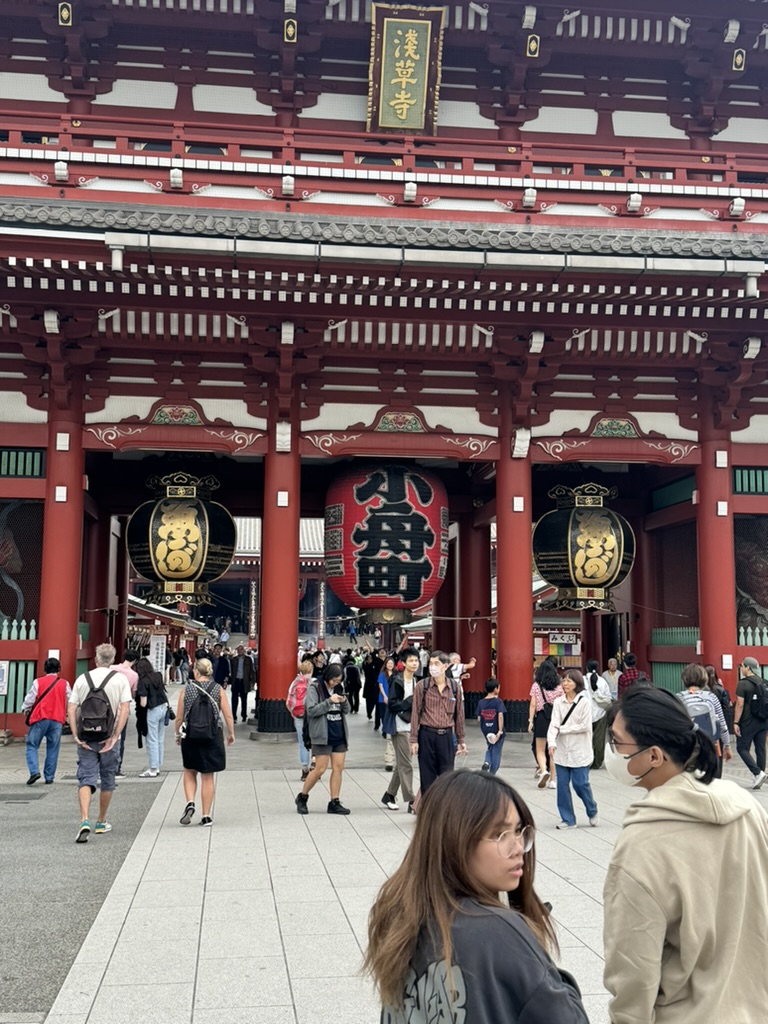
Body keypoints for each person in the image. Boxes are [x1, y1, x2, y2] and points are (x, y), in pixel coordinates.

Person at [365, 770, 589, 1023]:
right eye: (499, 835)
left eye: (518, 831)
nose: (518, 848)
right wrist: (543, 965)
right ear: (455, 840)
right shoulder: (497, 930)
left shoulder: (401, 914)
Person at [603, 685, 768, 1024]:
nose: (611, 751)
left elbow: (633, 969)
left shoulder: (642, 843)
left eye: (617, 743)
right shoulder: (748, 807)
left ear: (654, 756)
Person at [67, 643, 132, 844]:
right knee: (107, 779)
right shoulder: (120, 679)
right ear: (112, 660)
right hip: (108, 738)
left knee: (86, 778)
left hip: (86, 737)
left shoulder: (82, 679)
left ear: (95, 659)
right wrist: (115, 736)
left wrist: (76, 736)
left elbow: (71, 709)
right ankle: (101, 821)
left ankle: (84, 819)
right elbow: (125, 710)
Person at [175, 657, 234, 826]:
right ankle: (206, 815)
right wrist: (231, 733)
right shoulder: (217, 689)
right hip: (213, 734)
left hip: (191, 734)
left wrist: (177, 735)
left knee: (189, 770)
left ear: (196, 671)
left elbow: (179, 717)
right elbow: (228, 715)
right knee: (208, 776)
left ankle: (190, 802)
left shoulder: (187, 690)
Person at [295, 663, 351, 815]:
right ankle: (302, 796)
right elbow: (311, 710)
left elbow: (347, 710)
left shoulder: (339, 688)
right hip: (322, 734)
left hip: (338, 732)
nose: (336, 683)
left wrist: (344, 701)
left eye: (339, 680)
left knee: (338, 768)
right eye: (334, 680)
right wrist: (329, 701)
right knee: (320, 769)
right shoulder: (315, 687)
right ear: (328, 676)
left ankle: (334, 801)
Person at [409, 650, 466, 796]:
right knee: (427, 778)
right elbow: (415, 712)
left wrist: (460, 739)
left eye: (436, 663)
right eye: (430, 663)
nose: (432, 667)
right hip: (427, 734)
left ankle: (444, 813)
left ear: (445, 666)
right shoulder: (423, 686)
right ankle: (428, 814)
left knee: (447, 778)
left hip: (446, 736)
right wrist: (413, 739)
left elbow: (459, 714)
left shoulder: (454, 687)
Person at [547, 669, 598, 830]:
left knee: (580, 784)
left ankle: (591, 808)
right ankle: (568, 819)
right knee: (562, 785)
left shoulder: (584, 703)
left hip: (580, 750)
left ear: (577, 683)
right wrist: (551, 742)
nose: (565, 684)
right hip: (562, 751)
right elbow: (553, 724)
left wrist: (563, 729)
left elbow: (584, 726)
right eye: (563, 680)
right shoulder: (558, 702)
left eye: (569, 681)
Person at [677, 662, 731, 778]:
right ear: (704, 679)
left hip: (687, 746)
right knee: (711, 780)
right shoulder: (711, 697)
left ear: (684, 679)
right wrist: (727, 745)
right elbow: (722, 725)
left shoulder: (679, 698)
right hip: (710, 745)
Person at [22, 657, 71, 785]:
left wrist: (25, 709)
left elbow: (30, 700)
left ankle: (34, 771)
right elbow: (70, 700)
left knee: (32, 745)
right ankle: (49, 777)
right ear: (59, 669)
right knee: (53, 748)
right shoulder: (64, 683)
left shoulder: (38, 682)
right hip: (57, 719)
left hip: (40, 717)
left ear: (45, 669)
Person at [381, 647, 419, 813]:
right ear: (403, 663)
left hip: (413, 726)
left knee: (402, 763)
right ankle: (412, 801)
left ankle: (389, 794)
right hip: (399, 725)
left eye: (416, 660)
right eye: (410, 660)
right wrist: (410, 700)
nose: (414, 663)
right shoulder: (397, 681)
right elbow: (392, 704)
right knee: (406, 765)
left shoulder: (418, 681)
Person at [734, 655, 768, 788]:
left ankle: (757, 773)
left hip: (748, 722)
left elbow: (740, 704)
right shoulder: (764, 682)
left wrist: (736, 722)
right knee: (760, 748)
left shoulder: (743, 683)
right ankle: (759, 775)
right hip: (763, 720)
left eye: (742, 666)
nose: (741, 668)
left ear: (747, 667)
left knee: (741, 748)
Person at [528, 660, 562, 789]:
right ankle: (553, 780)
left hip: (541, 718)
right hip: (555, 718)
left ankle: (543, 771)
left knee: (540, 749)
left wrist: (530, 721)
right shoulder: (559, 686)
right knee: (552, 749)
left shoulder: (536, 685)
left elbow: (533, 704)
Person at [135, 656, 169, 778]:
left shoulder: (143, 681)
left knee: (151, 739)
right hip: (163, 708)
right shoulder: (158, 676)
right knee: (160, 739)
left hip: (152, 710)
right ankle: (158, 765)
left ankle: (153, 768)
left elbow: (143, 703)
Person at [110, 648, 138, 780]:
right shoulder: (133, 675)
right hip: (122, 709)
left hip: (107, 708)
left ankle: (101, 765)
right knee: (120, 737)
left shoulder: (111, 668)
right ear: (135, 660)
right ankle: (116, 768)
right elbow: (133, 693)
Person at [286, 658, 312, 780]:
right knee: (315, 741)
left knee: (302, 743)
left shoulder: (294, 683)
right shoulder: (313, 683)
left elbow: (288, 702)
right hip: (312, 716)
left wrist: (293, 713)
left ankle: (304, 770)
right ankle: (315, 766)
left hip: (298, 715)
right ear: (311, 670)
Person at [583, 659, 612, 769]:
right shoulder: (602, 681)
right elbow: (608, 697)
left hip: (584, 714)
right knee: (599, 739)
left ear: (586, 668)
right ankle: (597, 762)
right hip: (600, 713)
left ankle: (585, 761)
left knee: (585, 738)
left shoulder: (582, 680)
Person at [477, 677, 506, 775]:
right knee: (496, 751)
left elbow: (479, 718)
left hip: (486, 730)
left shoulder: (481, 702)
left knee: (490, 747)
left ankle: (486, 762)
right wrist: (500, 731)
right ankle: (492, 774)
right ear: (495, 689)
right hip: (496, 729)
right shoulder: (498, 702)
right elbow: (500, 716)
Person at [230, 642, 256, 723]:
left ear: (244, 650)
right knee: (234, 700)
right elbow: (231, 670)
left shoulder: (248, 659)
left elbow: (252, 671)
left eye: (241, 649)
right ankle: (234, 716)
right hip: (236, 680)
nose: (240, 651)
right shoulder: (233, 660)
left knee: (244, 700)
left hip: (244, 681)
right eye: (238, 650)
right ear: (237, 651)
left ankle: (244, 715)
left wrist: (252, 682)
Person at [362, 653, 379, 720]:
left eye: (371, 659)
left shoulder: (374, 666)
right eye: (368, 659)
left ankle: (370, 712)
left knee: (374, 701)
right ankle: (369, 713)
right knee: (368, 702)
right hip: (368, 686)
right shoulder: (366, 666)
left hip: (374, 686)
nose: (370, 660)